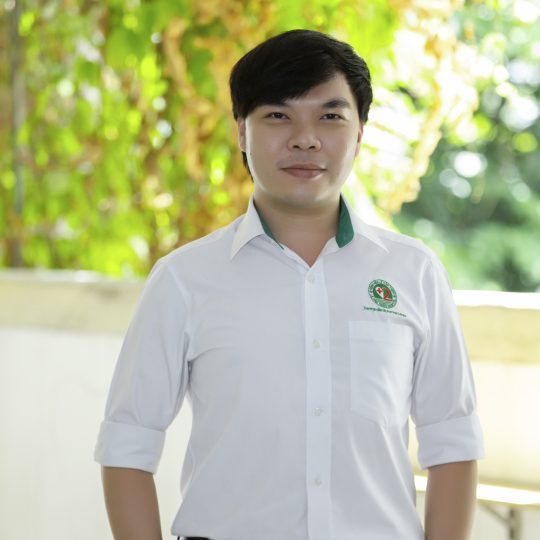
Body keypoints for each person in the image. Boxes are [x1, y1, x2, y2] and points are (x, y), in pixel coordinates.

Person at [94, 29, 484, 540]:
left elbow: (452, 441)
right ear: (242, 132)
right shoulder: (184, 279)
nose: (305, 138)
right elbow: (128, 443)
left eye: (330, 116)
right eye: (278, 115)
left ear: (360, 133)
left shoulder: (414, 273)